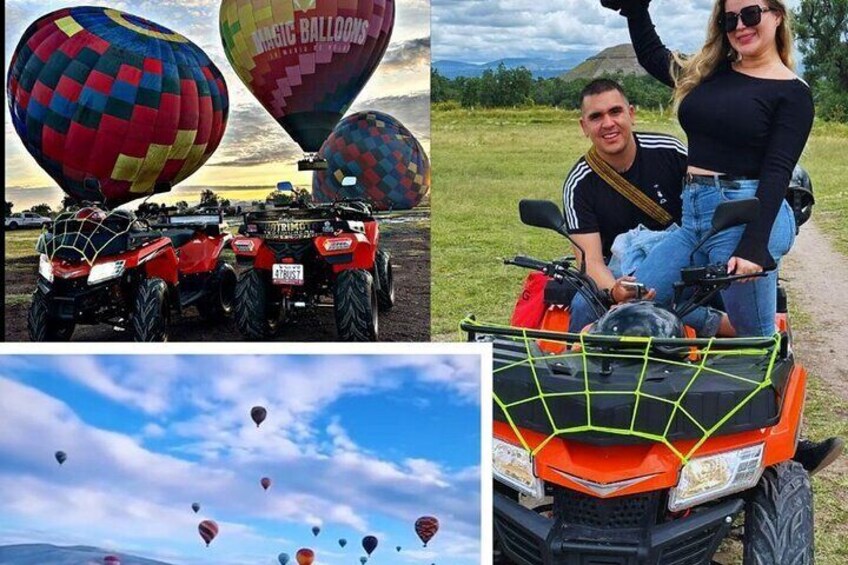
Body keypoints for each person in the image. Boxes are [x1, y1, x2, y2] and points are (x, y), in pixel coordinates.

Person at [601, 0, 841, 473]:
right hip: (693, 214)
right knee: (636, 303)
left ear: (776, 15)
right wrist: (635, 9)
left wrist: (754, 247)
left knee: (753, 343)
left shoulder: (792, 93)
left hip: (747, 210)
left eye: (750, 15)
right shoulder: (709, 71)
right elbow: (654, 57)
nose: (740, 27)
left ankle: (786, 449)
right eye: (730, 20)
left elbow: (777, 171)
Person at [563, 78, 686, 332]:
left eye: (615, 112)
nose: (608, 123)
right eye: (596, 117)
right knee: (583, 305)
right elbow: (590, 262)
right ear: (584, 126)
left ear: (631, 114)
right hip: (616, 272)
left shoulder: (671, 152)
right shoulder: (579, 184)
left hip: (679, 261)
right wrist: (616, 291)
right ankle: (578, 357)